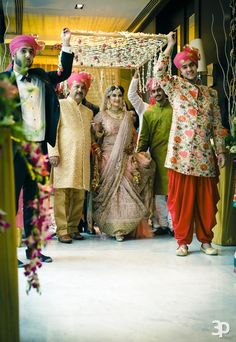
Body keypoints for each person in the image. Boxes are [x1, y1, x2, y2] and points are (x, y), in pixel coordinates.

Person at [0, 28, 74, 266]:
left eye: (31, 51)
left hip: (39, 148)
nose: (29, 55)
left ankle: (34, 252)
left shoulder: (41, 76)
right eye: (24, 50)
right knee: (8, 203)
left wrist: (65, 44)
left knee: (34, 202)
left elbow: (64, 73)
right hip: (14, 149)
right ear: (14, 54)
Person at [154, 32, 226, 256]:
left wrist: (221, 150)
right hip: (181, 155)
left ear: (197, 66)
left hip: (204, 155)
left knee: (205, 201)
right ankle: (182, 242)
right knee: (183, 201)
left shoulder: (210, 94)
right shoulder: (174, 86)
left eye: (192, 66)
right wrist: (169, 46)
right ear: (180, 70)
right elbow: (158, 72)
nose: (189, 70)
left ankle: (205, 241)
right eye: (184, 67)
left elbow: (217, 123)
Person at [92, 85, 155, 242]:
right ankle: (114, 228)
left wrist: (131, 149)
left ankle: (126, 228)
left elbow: (133, 137)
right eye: (113, 95)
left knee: (127, 192)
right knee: (112, 195)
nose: (117, 98)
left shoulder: (129, 116)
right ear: (108, 98)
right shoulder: (101, 116)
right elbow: (95, 140)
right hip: (108, 159)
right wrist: (97, 137)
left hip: (126, 159)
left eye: (120, 95)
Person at [48, 71, 93, 243]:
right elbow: (53, 131)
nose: (80, 90)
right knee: (62, 194)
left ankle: (74, 227)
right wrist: (53, 152)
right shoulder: (60, 105)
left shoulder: (88, 112)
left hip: (81, 159)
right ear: (69, 87)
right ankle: (62, 229)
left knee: (79, 194)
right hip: (64, 158)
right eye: (77, 86)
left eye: (83, 87)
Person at [137, 78, 174, 236]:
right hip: (157, 158)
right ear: (150, 93)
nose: (157, 93)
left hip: (174, 157)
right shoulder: (149, 113)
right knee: (158, 192)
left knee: (173, 192)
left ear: (165, 90)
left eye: (159, 90)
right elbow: (144, 137)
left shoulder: (175, 109)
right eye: (153, 91)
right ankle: (162, 225)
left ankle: (174, 226)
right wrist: (139, 155)